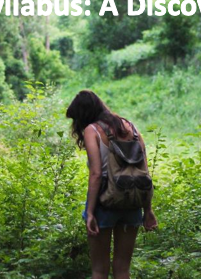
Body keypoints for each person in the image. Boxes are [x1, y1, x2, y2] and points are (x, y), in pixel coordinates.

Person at [66, 90, 158, 279]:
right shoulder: (131, 127)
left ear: (83, 114)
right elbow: (144, 174)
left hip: (104, 202)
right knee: (123, 270)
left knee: (99, 270)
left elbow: (96, 174)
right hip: (132, 202)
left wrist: (90, 213)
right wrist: (147, 209)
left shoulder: (93, 130)